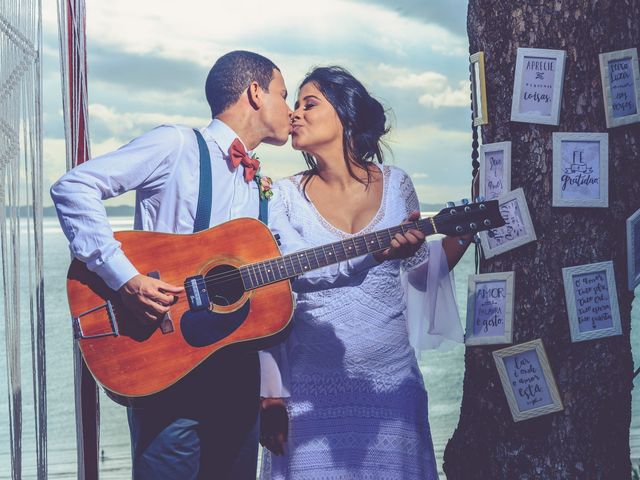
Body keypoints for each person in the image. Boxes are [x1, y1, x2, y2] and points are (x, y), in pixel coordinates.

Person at [51, 50, 294, 480]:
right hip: (164, 362)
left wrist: (270, 391)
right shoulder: (177, 145)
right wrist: (125, 279)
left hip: (236, 373)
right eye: (284, 95)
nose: (289, 110)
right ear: (255, 93)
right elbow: (74, 187)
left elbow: (260, 301)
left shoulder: (260, 186)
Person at [258, 66, 475, 480]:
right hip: (307, 394)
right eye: (295, 103)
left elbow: (418, 274)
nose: (294, 114)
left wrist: (461, 237)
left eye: (309, 103)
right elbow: (268, 298)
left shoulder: (397, 185)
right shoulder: (281, 197)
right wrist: (270, 395)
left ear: (347, 116)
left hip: (391, 387)